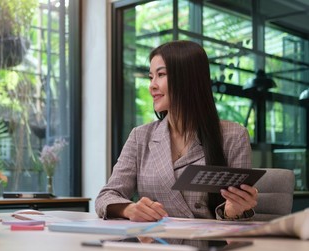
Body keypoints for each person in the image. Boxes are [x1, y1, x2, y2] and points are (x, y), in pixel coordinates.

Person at [95, 40, 258, 222]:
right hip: (154, 244)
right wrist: (129, 209)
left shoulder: (233, 136)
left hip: (205, 246)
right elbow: (106, 196)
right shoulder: (140, 137)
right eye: (151, 77)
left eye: (161, 75)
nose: (152, 86)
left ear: (188, 78)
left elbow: (238, 225)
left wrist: (233, 210)